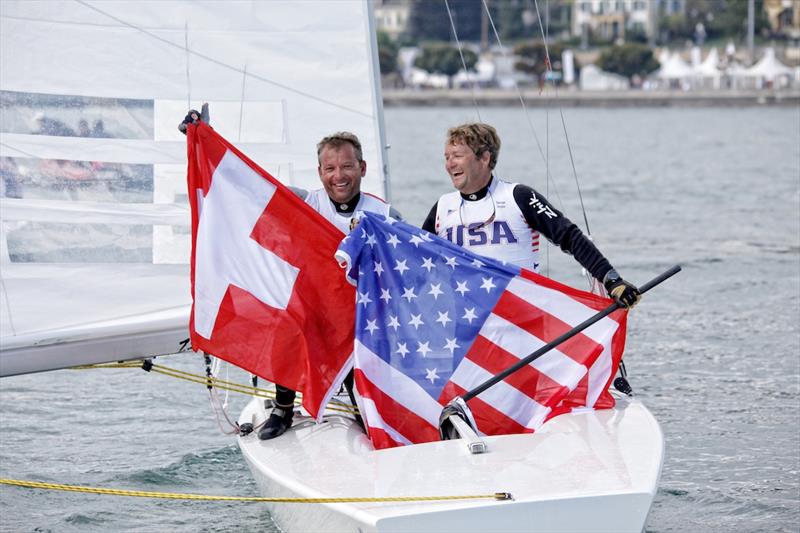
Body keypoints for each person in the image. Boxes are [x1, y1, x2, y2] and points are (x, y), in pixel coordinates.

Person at [180, 109, 395, 439]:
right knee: (287, 318)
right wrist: (201, 139)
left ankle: (371, 419)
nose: (339, 175)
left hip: (360, 323)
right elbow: (246, 185)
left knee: (367, 405)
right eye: (331, 168)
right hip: (313, 317)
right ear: (320, 172)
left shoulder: (384, 214)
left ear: (362, 168)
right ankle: (283, 407)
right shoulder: (306, 203)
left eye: (348, 166)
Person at [422, 122, 640, 309]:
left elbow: (570, 237)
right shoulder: (442, 207)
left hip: (523, 326)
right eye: (447, 157)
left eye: (458, 156)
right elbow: (414, 259)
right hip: (468, 329)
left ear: (485, 158)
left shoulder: (519, 197)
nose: (449, 164)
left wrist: (612, 280)